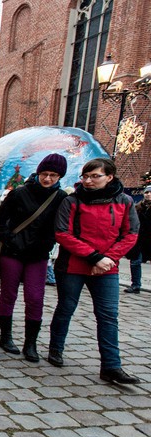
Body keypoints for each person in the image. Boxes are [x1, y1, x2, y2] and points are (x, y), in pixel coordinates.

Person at [49, 158, 139, 384]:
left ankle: (111, 366)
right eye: (85, 176)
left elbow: (131, 234)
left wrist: (109, 258)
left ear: (109, 177)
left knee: (108, 315)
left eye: (94, 176)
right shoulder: (72, 201)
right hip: (73, 265)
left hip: (107, 267)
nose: (88, 181)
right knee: (66, 307)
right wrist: (95, 256)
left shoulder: (124, 201)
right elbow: (62, 233)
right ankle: (55, 349)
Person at [0, 153, 68, 361]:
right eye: (44, 173)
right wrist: (9, 239)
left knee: (35, 298)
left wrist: (48, 242)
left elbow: (62, 227)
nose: (48, 179)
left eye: (53, 175)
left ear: (60, 177)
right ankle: (5, 336)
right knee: (8, 294)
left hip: (38, 255)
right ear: (38, 173)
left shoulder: (61, 198)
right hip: (13, 252)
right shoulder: (19, 193)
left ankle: (30, 343)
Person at [126, 185, 151, 293]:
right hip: (139, 240)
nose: (148, 194)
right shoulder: (138, 207)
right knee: (135, 262)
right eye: (146, 192)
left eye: (150, 193)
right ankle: (135, 285)